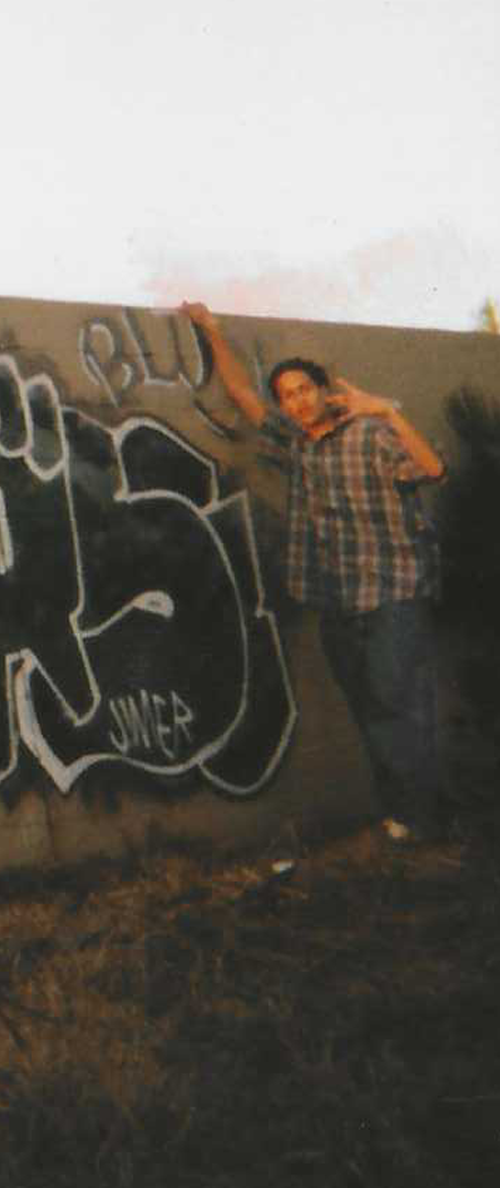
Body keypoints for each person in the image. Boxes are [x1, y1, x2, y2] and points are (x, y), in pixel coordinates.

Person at [182, 302, 446, 840]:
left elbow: (432, 468)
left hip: (392, 594)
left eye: (305, 390)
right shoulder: (298, 446)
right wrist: (210, 331)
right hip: (338, 600)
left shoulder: (369, 435)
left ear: (325, 391)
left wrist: (385, 411)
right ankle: (405, 815)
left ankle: (426, 819)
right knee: (372, 708)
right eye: (289, 396)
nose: (297, 402)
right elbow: (243, 398)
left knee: (397, 706)